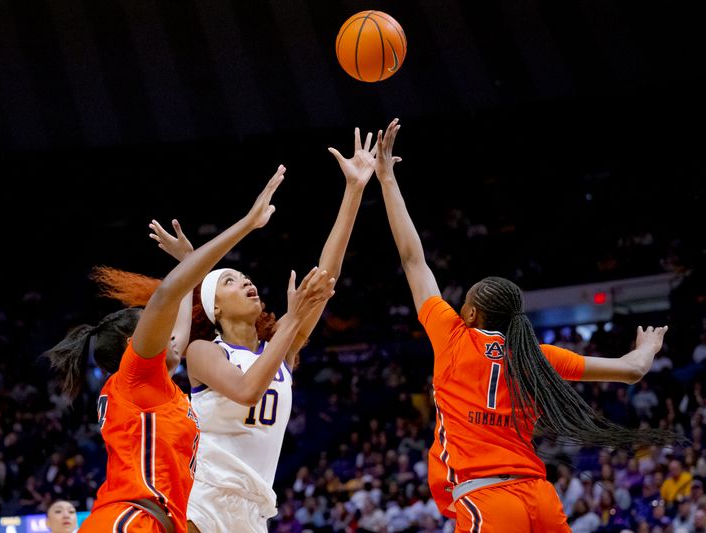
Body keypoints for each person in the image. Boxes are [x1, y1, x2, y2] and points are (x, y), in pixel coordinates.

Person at [372, 118, 679, 532]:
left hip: (488, 500)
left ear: (472, 316)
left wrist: (387, 178)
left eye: (463, 302)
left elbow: (413, 259)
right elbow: (632, 371)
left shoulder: (452, 335)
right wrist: (649, 347)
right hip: (540, 498)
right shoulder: (538, 357)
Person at [44, 166, 337, 533]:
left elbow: (179, 324)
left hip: (160, 522)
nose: (173, 338)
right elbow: (168, 295)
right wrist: (246, 223)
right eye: (162, 332)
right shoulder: (136, 375)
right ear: (133, 346)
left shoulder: (155, 386)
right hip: (131, 521)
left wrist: (188, 263)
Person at [148, 126, 377, 533]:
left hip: (254, 509)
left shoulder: (278, 348)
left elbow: (325, 278)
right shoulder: (204, 352)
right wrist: (292, 321)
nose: (247, 282)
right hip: (202, 495)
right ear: (214, 305)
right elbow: (245, 389)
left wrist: (354, 191)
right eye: (232, 280)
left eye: (246, 276)